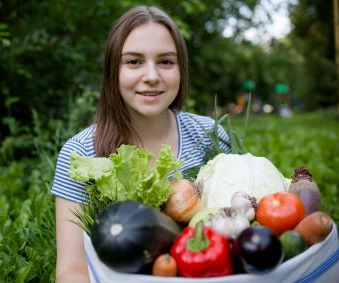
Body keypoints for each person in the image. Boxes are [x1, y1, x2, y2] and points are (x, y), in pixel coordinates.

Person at [50, 5, 229, 283]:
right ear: (113, 71)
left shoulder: (211, 136)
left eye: (166, 61)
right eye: (134, 62)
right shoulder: (80, 153)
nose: (152, 75)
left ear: (181, 69)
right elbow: (71, 270)